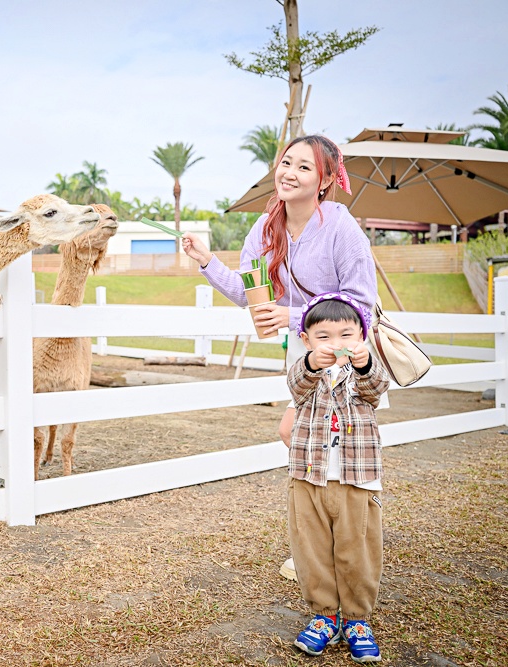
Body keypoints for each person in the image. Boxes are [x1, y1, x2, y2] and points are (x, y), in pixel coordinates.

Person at [182, 134, 380, 582]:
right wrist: (208, 261)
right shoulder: (265, 228)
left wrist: (292, 315)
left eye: (304, 167)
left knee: (316, 441)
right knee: (312, 445)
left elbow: (361, 304)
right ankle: (328, 539)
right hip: (305, 359)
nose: (289, 172)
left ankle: (338, 539)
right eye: (286, 162)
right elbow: (253, 298)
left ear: (326, 180)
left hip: (346, 355)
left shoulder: (341, 227)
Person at [286, 292, 389, 662]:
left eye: (346, 335)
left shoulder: (364, 374)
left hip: (356, 479)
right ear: (307, 341)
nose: (336, 344)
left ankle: (357, 619)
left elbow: (377, 389)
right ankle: (324, 616)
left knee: (357, 548)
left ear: (361, 337)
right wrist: (312, 363)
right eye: (323, 337)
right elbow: (295, 385)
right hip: (307, 477)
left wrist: (363, 365)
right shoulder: (306, 372)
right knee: (310, 549)